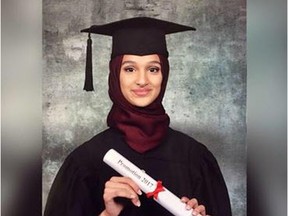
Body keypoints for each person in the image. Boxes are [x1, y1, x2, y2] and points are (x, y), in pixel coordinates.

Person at [44, 17, 232, 216]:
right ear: (115, 75)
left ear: (164, 75)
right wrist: (107, 215)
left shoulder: (195, 159)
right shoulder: (85, 162)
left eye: (153, 69)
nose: (142, 80)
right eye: (130, 69)